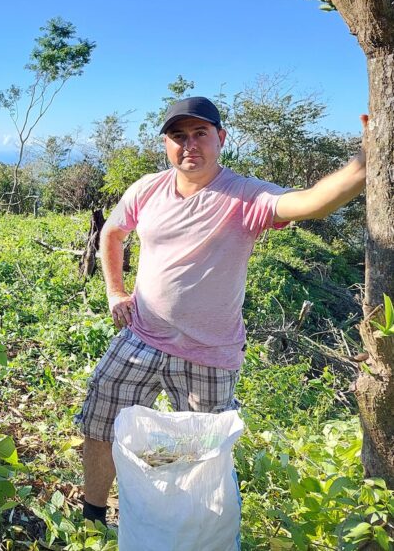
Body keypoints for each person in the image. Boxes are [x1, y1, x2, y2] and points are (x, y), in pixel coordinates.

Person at [75, 96, 367, 526]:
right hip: (141, 336)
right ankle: (92, 517)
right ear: (166, 144)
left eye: (200, 133)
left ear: (221, 138)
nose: (189, 144)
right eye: (178, 136)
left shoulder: (245, 195)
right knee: (100, 421)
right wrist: (115, 293)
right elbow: (113, 233)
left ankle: (192, 529)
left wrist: (366, 159)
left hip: (209, 354)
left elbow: (313, 202)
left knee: (204, 455)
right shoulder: (147, 189)